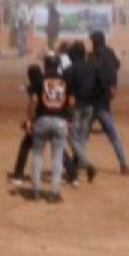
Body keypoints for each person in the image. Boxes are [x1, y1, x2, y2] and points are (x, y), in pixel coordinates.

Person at [28, 54, 71, 203]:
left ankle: (36, 190)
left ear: (45, 65)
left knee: (37, 155)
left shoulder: (39, 79)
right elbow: (71, 102)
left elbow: (33, 100)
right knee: (57, 157)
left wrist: (29, 119)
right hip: (60, 120)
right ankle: (54, 192)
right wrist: (69, 119)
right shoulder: (65, 80)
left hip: (42, 119)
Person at [88, 30, 129, 174]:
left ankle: (75, 164)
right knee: (113, 135)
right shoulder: (110, 52)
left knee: (81, 136)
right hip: (105, 99)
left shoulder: (92, 56)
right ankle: (124, 164)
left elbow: (90, 76)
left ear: (94, 42)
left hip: (92, 101)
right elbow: (117, 65)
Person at [64, 42, 99, 185]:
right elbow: (100, 86)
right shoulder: (94, 68)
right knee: (82, 139)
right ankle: (75, 166)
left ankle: (87, 165)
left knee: (71, 137)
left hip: (75, 107)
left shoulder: (69, 70)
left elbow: (65, 90)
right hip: (90, 107)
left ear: (73, 55)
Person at [8, 64, 44, 186]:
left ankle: (18, 176)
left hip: (39, 121)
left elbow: (33, 102)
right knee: (58, 146)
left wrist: (29, 121)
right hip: (53, 118)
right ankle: (72, 175)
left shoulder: (35, 85)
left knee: (25, 146)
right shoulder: (46, 81)